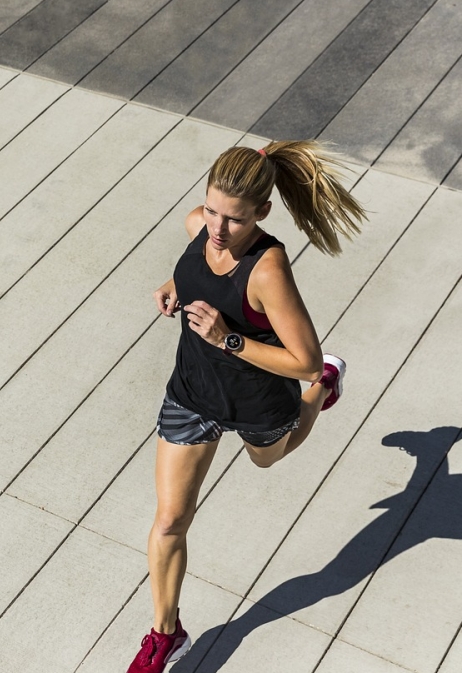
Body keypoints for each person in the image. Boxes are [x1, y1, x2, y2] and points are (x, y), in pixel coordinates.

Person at [127, 141, 366, 673]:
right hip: (192, 392)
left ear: (261, 212)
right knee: (169, 521)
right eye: (211, 210)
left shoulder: (267, 269)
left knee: (267, 459)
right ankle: (166, 635)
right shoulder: (199, 226)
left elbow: (301, 358)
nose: (217, 228)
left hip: (258, 398)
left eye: (233, 219)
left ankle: (329, 388)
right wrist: (175, 284)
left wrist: (228, 340)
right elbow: (197, 264)